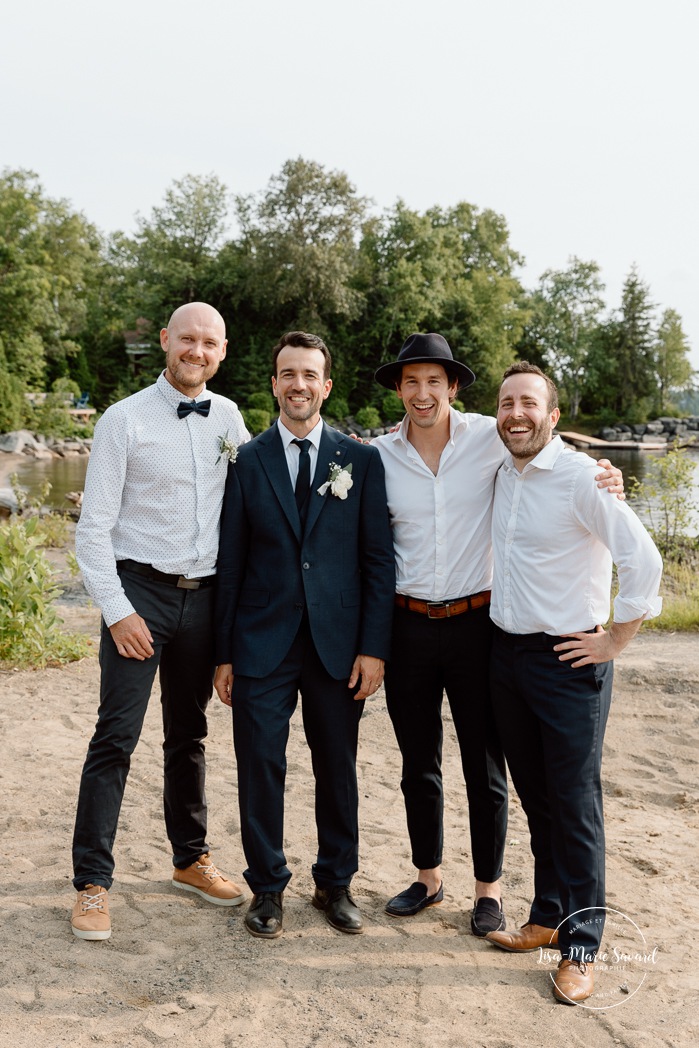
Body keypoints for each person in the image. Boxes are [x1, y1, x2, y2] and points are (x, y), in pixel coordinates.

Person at [371, 333, 624, 936]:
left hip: (478, 626)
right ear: (399, 391)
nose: (423, 392)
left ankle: (489, 890)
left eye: (435, 381)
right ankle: (429, 878)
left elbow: (547, 453)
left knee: (487, 765)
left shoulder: (491, 434)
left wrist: (603, 475)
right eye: (412, 382)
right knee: (417, 761)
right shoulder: (378, 456)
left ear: (453, 387)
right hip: (406, 626)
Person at [484, 361, 662, 1004]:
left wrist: (616, 638)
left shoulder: (586, 477)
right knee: (536, 798)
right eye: (506, 403)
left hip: (568, 662)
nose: (516, 414)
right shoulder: (500, 467)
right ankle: (545, 917)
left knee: (576, 807)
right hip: (505, 657)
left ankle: (582, 947)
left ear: (552, 416)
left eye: (529, 403)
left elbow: (642, 557)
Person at [71, 302, 249, 941]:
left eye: (209, 343)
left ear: (221, 351)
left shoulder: (229, 417)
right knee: (115, 738)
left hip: (204, 601)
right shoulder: (122, 421)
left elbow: (247, 515)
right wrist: (118, 612)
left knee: (189, 735)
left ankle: (189, 859)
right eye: (187, 340)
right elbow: (91, 533)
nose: (196, 352)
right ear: (166, 342)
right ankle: (92, 883)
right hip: (139, 593)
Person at [213, 331, 395, 940]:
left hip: (338, 646)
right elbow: (231, 563)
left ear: (326, 385)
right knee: (259, 765)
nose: (298, 385)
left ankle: (334, 883)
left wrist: (374, 647)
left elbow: (377, 562)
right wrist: (224, 654)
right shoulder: (248, 459)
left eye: (309, 375)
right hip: (261, 643)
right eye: (287, 373)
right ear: (274, 383)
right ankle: (266, 888)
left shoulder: (360, 460)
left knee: (337, 767)